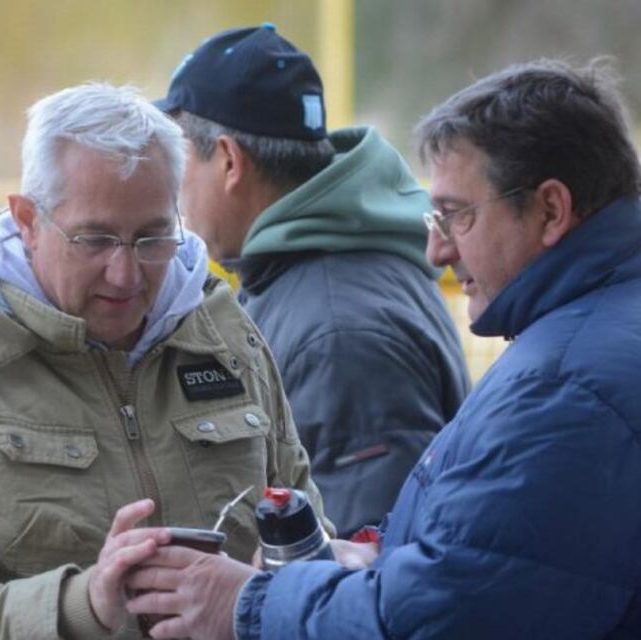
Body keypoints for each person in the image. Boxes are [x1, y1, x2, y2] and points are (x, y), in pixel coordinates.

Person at [125, 57, 641, 639]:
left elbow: (441, 619)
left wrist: (247, 603)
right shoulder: (587, 344)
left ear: (550, 210)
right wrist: (377, 562)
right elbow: (497, 572)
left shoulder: (567, 389)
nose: (437, 252)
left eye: (456, 216)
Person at [0, 82, 329, 639]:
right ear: (27, 220)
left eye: (153, 238)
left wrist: (277, 587)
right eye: (95, 240)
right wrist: (83, 606)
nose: (126, 275)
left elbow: (307, 529)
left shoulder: (226, 341)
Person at [156, 24, 471, 537]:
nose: (174, 188)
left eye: (179, 161)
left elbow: (365, 566)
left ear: (230, 161)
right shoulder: (318, 273)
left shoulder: (338, 331)